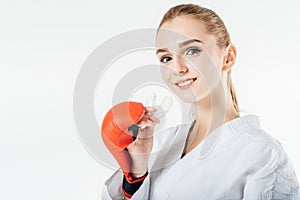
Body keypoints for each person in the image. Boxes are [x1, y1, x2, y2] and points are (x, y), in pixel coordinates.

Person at [102, 4, 300, 200]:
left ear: (228, 57)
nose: (177, 68)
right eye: (166, 58)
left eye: (192, 50)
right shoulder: (161, 144)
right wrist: (136, 175)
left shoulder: (262, 155)